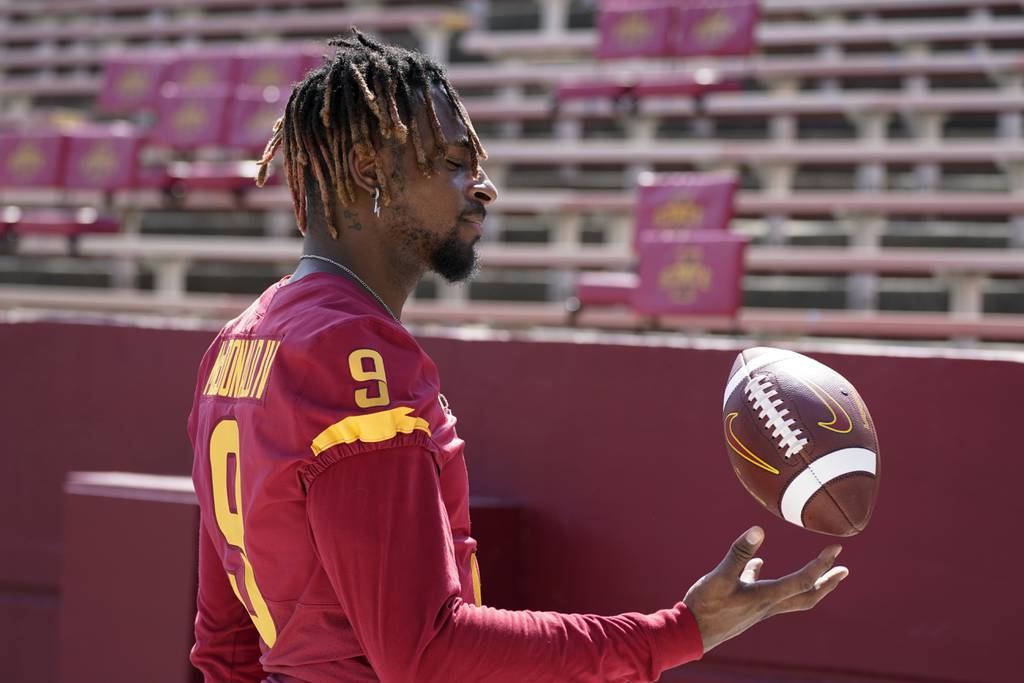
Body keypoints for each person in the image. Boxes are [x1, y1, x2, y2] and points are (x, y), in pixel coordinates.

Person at [187, 31, 848, 682]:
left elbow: (225, 650)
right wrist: (677, 632)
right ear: (368, 172)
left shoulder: (235, 345)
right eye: (450, 161)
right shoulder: (356, 352)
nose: (481, 186)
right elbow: (425, 653)